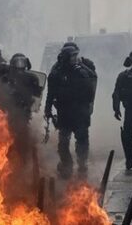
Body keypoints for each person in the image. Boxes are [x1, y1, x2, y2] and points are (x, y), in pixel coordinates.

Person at [45, 45, 98, 178]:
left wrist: (87, 107)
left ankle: (81, 165)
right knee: (63, 142)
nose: (76, 58)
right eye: (73, 56)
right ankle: (66, 165)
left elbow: (91, 87)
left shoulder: (82, 72)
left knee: (82, 140)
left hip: (80, 113)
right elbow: (50, 93)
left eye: (76, 55)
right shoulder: (56, 73)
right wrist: (48, 109)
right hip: (64, 112)